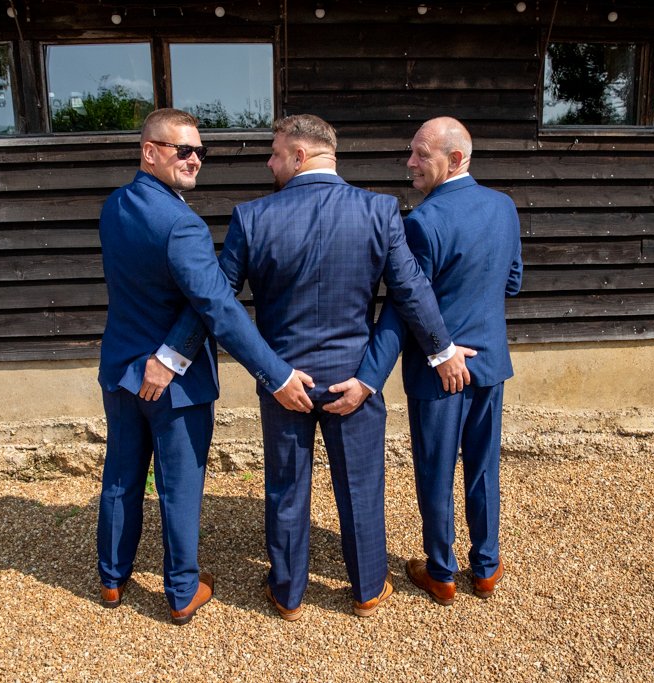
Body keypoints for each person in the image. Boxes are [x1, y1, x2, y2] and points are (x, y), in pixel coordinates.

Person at [166, 114, 472, 619]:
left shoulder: (252, 217)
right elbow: (411, 294)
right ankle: (368, 588)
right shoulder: (379, 211)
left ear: (300, 155)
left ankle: (287, 594)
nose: (269, 162)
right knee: (361, 487)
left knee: (287, 487)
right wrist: (413, 362)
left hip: (285, 381)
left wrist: (184, 359)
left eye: (274, 153)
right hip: (353, 379)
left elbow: (215, 299)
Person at [96, 108, 314, 626]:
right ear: (150, 151)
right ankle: (180, 592)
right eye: (182, 150)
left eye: (200, 151)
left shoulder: (115, 205)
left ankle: (111, 578)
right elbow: (219, 307)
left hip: (121, 369)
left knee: (122, 475)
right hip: (176, 387)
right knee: (178, 486)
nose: (195, 159)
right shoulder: (181, 225)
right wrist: (276, 374)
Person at [349, 116, 522, 605]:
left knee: (436, 470)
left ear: (456, 158)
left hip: (438, 372)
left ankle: (443, 574)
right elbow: (511, 282)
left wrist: (368, 377)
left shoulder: (422, 223)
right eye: (412, 152)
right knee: (484, 469)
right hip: (489, 363)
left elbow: (404, 310)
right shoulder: (504, 208)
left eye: (421, 154)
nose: (410, 162)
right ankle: (486, 567)